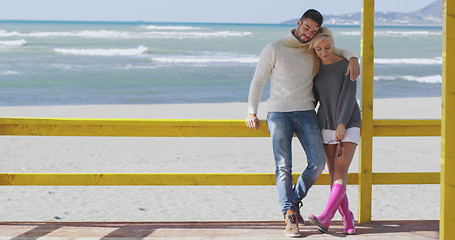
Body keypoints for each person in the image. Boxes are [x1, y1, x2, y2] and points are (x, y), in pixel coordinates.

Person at [245, 9, 360, 237]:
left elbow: (335, 50)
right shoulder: (274, 48)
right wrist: (251, 111)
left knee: (317, 164)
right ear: (298, 23)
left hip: (308, 112)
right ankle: (289, 213)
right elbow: (258, 79)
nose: (309, 34)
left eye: (314, 31)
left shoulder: (313, 49)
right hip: (279, 113)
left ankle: (294, 200)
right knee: (283, 166)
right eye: (306, 28)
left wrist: (354, 57)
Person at [307, 27, 361, 235]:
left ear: (333, 45)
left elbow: (349, 95)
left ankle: (325, 217)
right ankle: (347, 217)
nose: (324, 52)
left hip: (348, 122)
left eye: (327, 47)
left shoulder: (346, 65)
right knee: (333, 176)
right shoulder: (316, 69)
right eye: (319, 49)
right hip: (324, 123)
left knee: (340, 172)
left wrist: (341, 124)